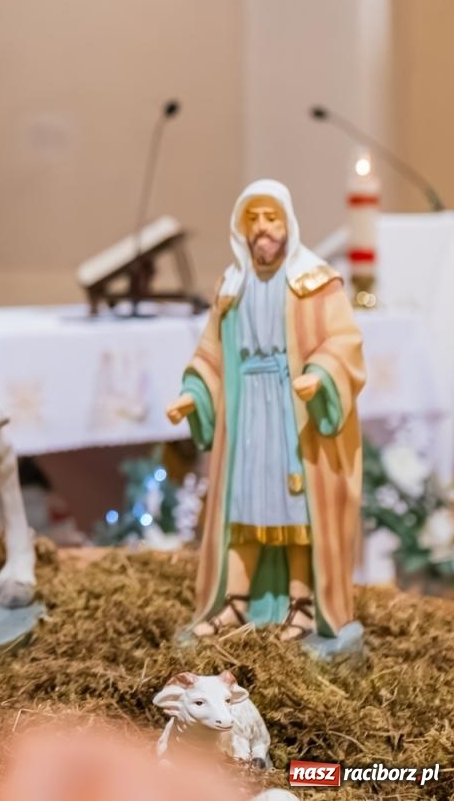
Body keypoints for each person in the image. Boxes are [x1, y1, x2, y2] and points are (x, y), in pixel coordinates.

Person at [167, 179, 365, 643]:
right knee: (243, 507)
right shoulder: (230, 288)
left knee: (296, 509)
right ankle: (235, 602)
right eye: (252, 220)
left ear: (287, 223)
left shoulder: (315, 281)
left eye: (270, 218)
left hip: (292, 415)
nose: (262, 229)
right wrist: (193, 394)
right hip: (246, 417)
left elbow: (344, 342)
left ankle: (303, 603)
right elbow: (211, 355)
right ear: (241, 229)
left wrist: (320, 373)